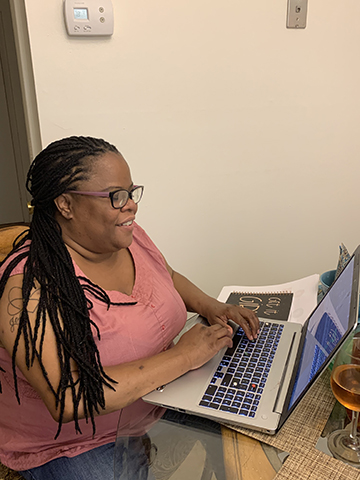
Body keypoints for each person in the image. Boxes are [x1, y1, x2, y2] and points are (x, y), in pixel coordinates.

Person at [0, 136, 259, 479]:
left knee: (254, 427)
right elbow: (69, 399)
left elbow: (166, 275)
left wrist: (211, 305)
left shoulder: (128, 237)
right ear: (65, 204)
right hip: (78, 441)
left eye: (131, 192)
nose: (131, 206)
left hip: (163, 394)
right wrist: (184, 356)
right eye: (115, 196)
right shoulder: (29, 288)